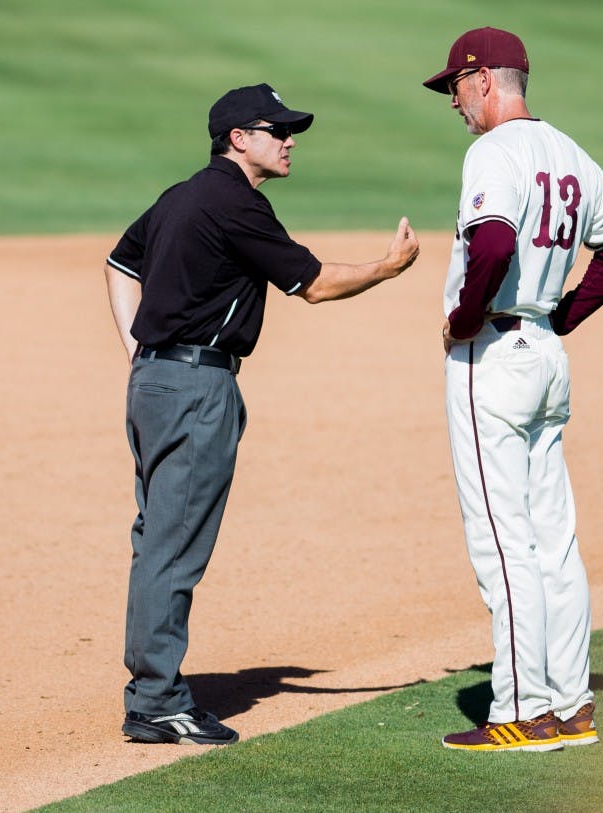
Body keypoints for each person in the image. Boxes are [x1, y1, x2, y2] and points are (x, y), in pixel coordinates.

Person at [104, 83, 419, 746]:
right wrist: (390, 267)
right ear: (238, 138)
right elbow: (315, 284)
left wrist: (140, 349)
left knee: (155, 536)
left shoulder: (181, 196)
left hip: (154, 385)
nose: (289, 139)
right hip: (195, 390)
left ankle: (149, 691)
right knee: (175, 543)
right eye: (276, 130)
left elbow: (119, 262)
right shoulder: (235, 204)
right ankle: (157, 699)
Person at [422, 28, 603, 752]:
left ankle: (520, 708)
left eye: (455, 85)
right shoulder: (570, 153)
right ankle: (572, 703)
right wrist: (562, 315)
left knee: (503, 538)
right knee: (553, 536)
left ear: (485, 79)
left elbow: (489, 244)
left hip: (494, 357)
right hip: (544, 354)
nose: (453, 101)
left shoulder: (493, 152)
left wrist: (463, 318)